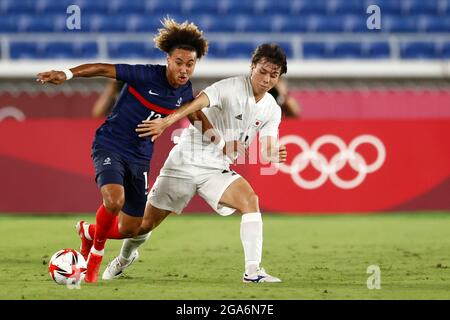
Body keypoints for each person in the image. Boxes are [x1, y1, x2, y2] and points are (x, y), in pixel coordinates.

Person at [36, 18, 209, 283]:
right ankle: (95, 256)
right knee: (114, 201)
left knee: (132, 229)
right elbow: (104, 69)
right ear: (167, 59)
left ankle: (89, 232)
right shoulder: (145, 74)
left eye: (190, 64)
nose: (184, 69)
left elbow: (195, 114)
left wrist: (218, 140)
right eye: (179, 62)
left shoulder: (185, 90)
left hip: (140, 158)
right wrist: (68, 74)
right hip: (111, 144)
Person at [103, 43, 288, 283]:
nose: (266, 79)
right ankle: (125, 258)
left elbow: (268, 145)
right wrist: (166, 122)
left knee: (250, 201)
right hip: (185, 162)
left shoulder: (272, 109)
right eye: (262, 71)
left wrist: (272, 153)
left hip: (216, 170)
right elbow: (193, 106)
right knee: (143, 225)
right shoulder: (229, 87)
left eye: (274, 75)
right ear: (252, 67)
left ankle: (252, 272)